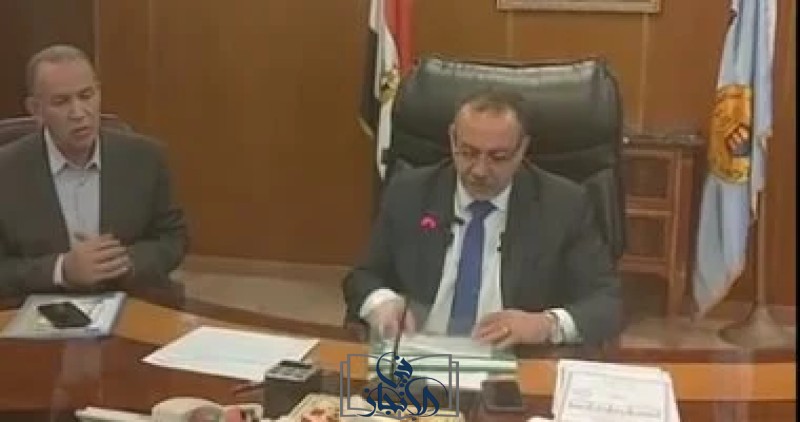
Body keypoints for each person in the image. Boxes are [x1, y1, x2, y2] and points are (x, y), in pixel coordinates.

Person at [343, 89, 622, 347]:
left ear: (522, 149)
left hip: (514, 362)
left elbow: (607, 302)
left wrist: (546, 324)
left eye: (498, 157)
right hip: (418, 353)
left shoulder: (563, 205)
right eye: (468, 153)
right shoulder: (410, 192)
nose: (479, 170)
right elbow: (364, 276)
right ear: (452, 138)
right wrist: (382, 303)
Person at [0, 44, 188, 297]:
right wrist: (61, 270)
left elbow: (173, 238)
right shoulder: (6, 171)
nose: (79, 113)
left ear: (98, 92)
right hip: (44, 307)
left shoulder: (146, 158)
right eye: (61, 102)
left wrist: (122, 262)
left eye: (86, 96)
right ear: (36, 109)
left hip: (132, 300)